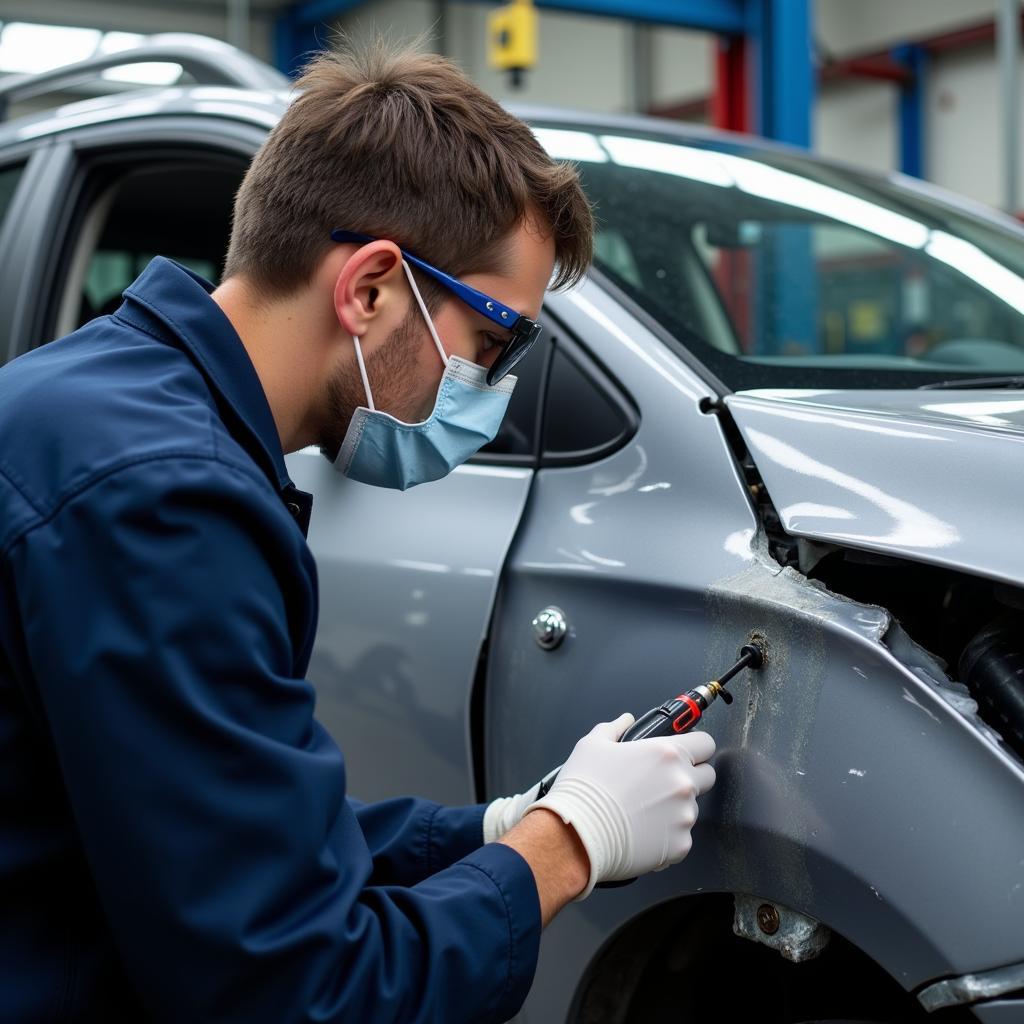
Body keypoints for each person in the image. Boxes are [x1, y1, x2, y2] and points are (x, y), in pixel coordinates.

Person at [0, 41, 716, 1023]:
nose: (492, 395)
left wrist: (495, 829)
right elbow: (295, 989)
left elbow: (225, 826)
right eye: (492, 340)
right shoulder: (165, 504)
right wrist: (566, 846)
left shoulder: (99, 400)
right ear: (371, 287)